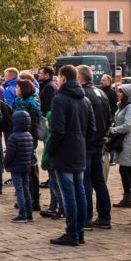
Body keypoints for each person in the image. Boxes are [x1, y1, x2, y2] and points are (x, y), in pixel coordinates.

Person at [46, 64, 94, 246]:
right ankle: (79, 231)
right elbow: (92, 129)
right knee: (79, 192)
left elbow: (57, 131)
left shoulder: (60, 99)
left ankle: (72, 231)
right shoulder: (85, 99)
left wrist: (50, 150)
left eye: (58, 78)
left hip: (65, 153)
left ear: (63, 78)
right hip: (79, 151)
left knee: (69, 195)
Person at [78, 65, 112, 231]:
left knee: (86, 181)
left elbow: (84, 120)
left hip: (87, 142)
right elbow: (108, 118)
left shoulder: (84, 94)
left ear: (80, 78)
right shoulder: (102, 93)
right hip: (99, 141)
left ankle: (86, 218)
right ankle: (105, 217)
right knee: (99, 181)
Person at [110, 84, 131, 209]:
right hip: (124, 141)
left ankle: (128, 197)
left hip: (128, 142)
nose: (119, 94)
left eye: (121, 92)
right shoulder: (123, 105)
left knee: (124, 169)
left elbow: (129, 124)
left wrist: (113, 130)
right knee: (127, 169)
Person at [13, 79, 43, 211]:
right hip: (20, 137)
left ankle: (34, 200)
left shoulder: (31, 104)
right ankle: (26, 198)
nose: (16, 89)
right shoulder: (19, 101)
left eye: (18, 87)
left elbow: (34, 125)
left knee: (31, 169)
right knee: (25, 169)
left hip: (29, 140)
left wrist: (28, 140)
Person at [5, 110, 35, 222]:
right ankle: (29, 213)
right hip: (26, 166)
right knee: (26, 189)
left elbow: (10, 154)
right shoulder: (29, 135)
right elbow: (32, 153)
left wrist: (6, 163)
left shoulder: (13, 137)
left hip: (16, 167)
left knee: (19, 190)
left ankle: (22, 214)